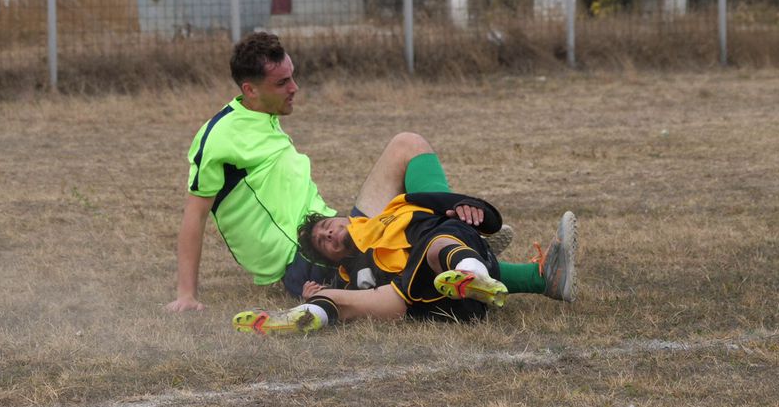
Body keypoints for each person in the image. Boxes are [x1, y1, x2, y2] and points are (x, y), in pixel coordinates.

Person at [165, 31, 507, 312]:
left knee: (408, 144)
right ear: (250, 90)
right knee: (405, 256)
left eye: (292, 76)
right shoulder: (219, 138)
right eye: (282, 82)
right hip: (305, 258)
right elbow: (195, 215)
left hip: (339, 229)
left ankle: (456, 233)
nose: (294, 87)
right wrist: (186, 294)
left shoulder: (265, 115)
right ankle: (479, 257)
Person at [231, 191, 576, 335]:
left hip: (444, 254)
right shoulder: (350, 275)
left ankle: (472, 275)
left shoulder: (398, 207)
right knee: (339, 298)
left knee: (437, 244)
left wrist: (477, 213)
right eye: (324, 242)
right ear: (333, 259)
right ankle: (299, 317)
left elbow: (485, 214)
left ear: (344, 218)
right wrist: (317, 294)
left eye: (328, 226)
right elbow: (362, 301)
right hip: (428, 302)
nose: (329, 234)